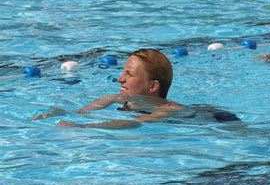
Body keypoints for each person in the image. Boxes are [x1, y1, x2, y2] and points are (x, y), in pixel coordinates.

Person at [32, 48, 239, 129]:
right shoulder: (114, 98)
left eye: (129, 74)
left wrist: (84, 128)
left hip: (215, 118)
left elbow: (134, 124)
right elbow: (81, 113)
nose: (120, 78)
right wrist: (58, 114)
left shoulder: (169, 110)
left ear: (152, 86)